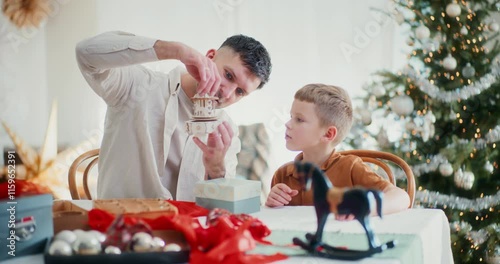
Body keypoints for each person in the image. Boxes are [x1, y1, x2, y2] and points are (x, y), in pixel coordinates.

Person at [76, 31, 271, 201]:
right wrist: (177, 51)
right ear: (210, 57)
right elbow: (85, 52)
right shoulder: (136, 85)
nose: (227, 94)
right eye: (228, 75)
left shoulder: (226, 131)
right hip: (122, 227)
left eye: (240, 92)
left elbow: (220, 209)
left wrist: (216, 170)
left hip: (185, 234)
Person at [265, 84, 410, 219]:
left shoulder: (351, 167)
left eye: (299, 119)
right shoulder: (283, 175)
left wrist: (365, 207)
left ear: (328, 134)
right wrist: (273, 202)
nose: (288, 124)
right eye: (291, 117)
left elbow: (402, 197)